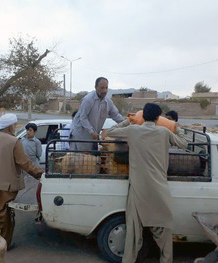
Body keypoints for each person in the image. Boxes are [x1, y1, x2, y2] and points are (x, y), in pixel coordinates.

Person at [105, 103, 188, 263]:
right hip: (159, 189)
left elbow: (110, 132)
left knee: (134, 232)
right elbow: (184, 144)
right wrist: (177, 128)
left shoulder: (133, 131)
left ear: (143, 117)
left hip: (138, 189)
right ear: (158, 118)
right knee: (163, 230)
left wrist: (128, 120)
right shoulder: (164, 132)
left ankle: (129, 260)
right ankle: (166, 260)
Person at [0, 113, 43, 248]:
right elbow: (25, 163)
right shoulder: (14, 141)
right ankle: (3, 244)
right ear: (11, 127)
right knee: (3, 215)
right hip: (5, 185)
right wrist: (41, 174)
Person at [70, 77, 124, 151]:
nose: (104, 90)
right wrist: (91, 132)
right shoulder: (87, 100)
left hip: (94, 137)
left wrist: (127, 124)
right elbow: (83, 118)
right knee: (81, 160)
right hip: (81, 136)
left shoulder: (108, 102)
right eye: (102, 88)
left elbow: (116, 115)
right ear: (95, 87)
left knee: (92, 160)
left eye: (106, 88)